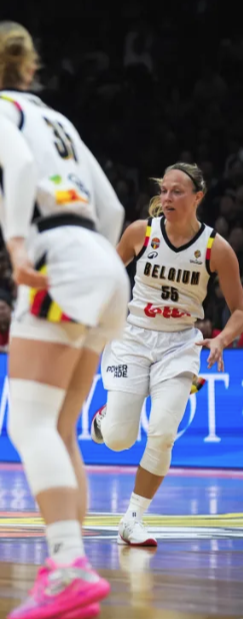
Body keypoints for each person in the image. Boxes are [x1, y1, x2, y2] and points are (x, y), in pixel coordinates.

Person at [0, 21, 129, 619]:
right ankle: (72, 572)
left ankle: (66, 566)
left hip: (59, 260)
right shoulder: (59, 121)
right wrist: (94, 266)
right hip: (104, 264)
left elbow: (16, 165)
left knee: (30, 424)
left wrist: (16, 246)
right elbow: (112, 207)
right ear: (30, 70)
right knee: (59, 429)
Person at [92, 162, 243, 546]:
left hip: (180, 344)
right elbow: (108, 276)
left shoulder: (216, 249)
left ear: (198, 197)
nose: (168, 197)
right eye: (164, 190)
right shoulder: (141, 233)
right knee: (118, 439)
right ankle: (105, 418)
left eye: (177, 191)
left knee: (161, 434)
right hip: (133, 338)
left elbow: (239, 310)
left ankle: (133, 518)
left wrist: (222, 339)